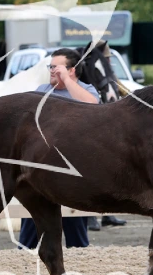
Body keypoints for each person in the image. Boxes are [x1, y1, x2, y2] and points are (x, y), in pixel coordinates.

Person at [19, 48, 99, 249]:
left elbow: (92, 106)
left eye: (56, 67)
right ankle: (24, 253)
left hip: (74, 167)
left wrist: (67, 81)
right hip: (42, 167)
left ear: (72, 70)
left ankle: (79, 254)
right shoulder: (42, 90)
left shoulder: (87, 90)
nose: (51, 70)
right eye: (50, 66)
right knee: (33, 220)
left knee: (75, 226)